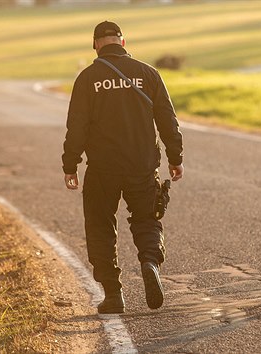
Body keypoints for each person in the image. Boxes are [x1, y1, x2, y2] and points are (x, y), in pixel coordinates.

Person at [62, 21, 184, 314]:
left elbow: (76, 127)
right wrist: (175, 158)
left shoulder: (87, 78)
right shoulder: (148, 74)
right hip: (142, 165)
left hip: (102, 169)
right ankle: (150, 262)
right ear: (123, 42)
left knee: (100, 226)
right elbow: (168, 119)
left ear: (95, 45)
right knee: (147, 219)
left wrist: (70, 165)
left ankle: (114, 294)